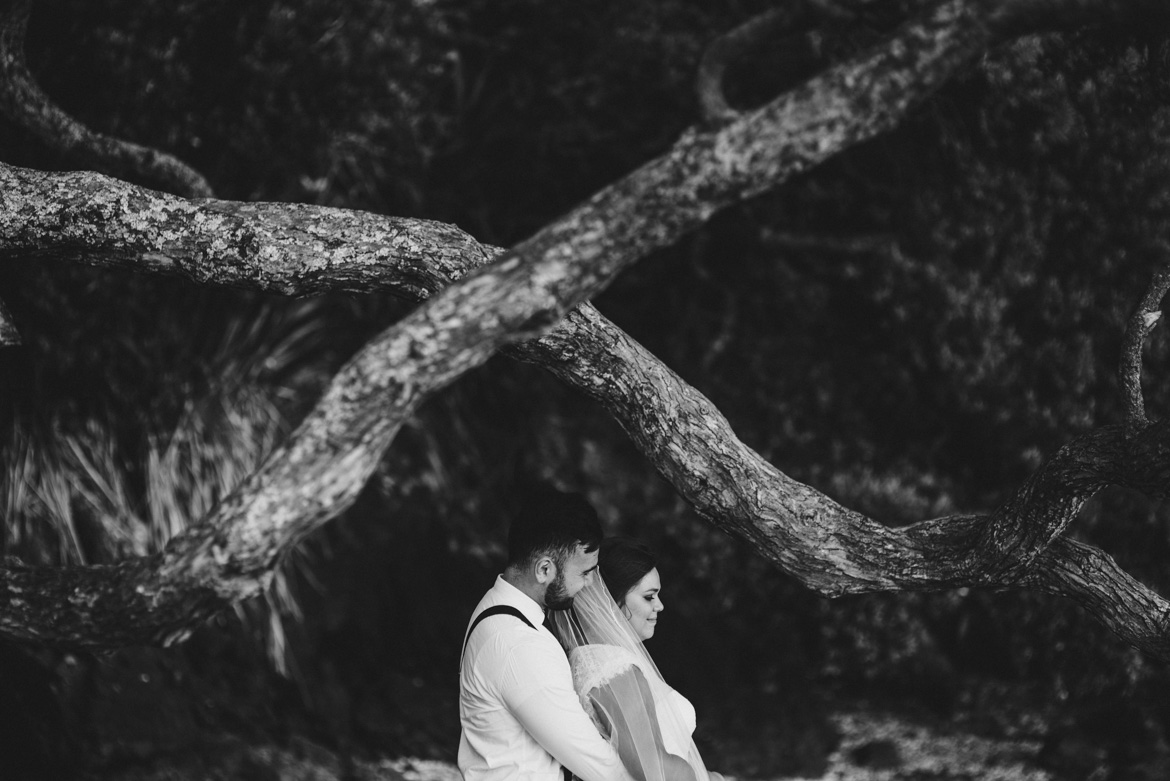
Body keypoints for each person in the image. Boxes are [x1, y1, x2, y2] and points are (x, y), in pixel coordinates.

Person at [458, 485, 637, 781]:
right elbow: (595, 762)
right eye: (584, 573)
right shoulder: (517, 644)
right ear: (544, 569)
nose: (591, 584)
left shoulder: (497, 613)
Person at [551, 537, 722, 781]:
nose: (660, 606)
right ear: (611, 602)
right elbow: (657, 771)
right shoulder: (613, 668)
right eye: (649, 597)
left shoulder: (591, 661)